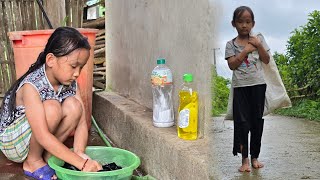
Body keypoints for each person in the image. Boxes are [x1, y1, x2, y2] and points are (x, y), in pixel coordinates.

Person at [0, 27, 102, 179]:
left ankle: (47, 157)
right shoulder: (31, 85)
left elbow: (81, 122)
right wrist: (82, 164)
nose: (77, 73)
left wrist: (79, 154)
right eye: (74, 66)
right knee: (52, 108)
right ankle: (33, 162)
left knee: (75, 106)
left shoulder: (71, 82)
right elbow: (41, 135)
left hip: (34, 135)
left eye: (81, 67)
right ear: (51, 60)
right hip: (13, 141)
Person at [225, 6, 270, 172]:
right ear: (234, 23)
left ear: (253, 23)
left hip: (258, 86)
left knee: (257, 122)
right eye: (240, 21)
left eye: (248, 22)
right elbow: (232, 65)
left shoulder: (258, 40)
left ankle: (255, 157)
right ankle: (244, 160)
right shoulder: (230, 44)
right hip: (240, 88)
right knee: (242, 123)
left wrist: (258, 45)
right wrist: (246, 51)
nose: (244, 25)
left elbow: (266, 60)